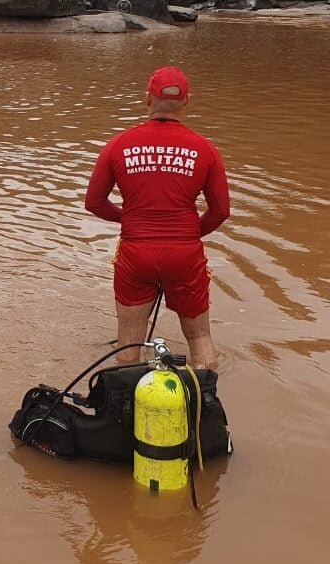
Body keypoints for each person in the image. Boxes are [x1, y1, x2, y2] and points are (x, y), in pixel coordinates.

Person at [84, 66, 230, 367]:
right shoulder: (205, 149)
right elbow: (220, 211)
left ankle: (126, 405)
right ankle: (206, 405)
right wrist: (187, 233)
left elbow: (94, 202)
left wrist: (129, 220)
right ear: (186, 100)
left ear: (146, 99)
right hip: (185, 254)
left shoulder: (118, 145)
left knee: (128, 339)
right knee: (200, 338)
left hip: (136, 251)